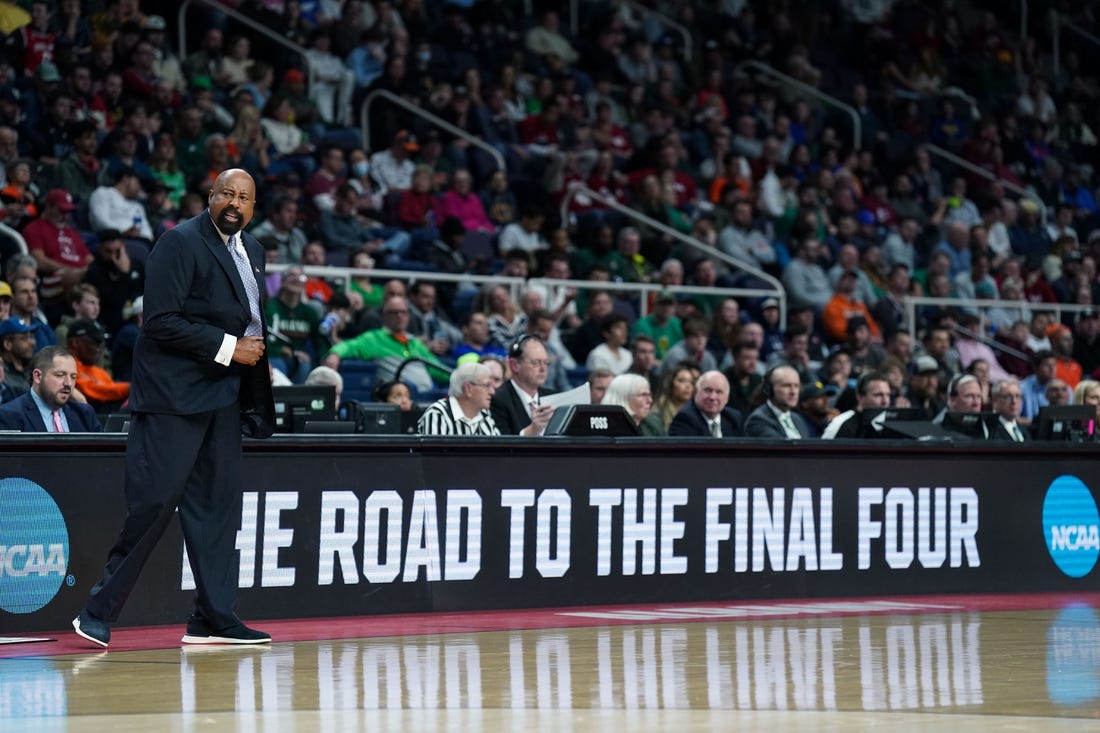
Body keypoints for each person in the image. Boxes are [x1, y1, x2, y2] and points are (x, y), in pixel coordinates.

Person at [73, 168, 276, 649]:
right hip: (174, 397)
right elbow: (160, 321)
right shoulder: (178, 242)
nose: (234, 203)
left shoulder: (256, 251)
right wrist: (230, 347)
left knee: (217, 511)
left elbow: (251, 321)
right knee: (154, 504)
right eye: (226, 193)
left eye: (243, 197)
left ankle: (212, 618)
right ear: (210, 196)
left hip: (224, 397)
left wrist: (248, 373)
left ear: (252, 206)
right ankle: (96, 611)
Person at [322, 295, 448, 392]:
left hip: (427, 396)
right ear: (384, 316)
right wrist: (334, 355)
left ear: (408, 316)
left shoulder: (415, 342)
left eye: (403, 312)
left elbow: (437, 369)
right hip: (400, 398)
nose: (399, 316)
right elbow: (349, 346)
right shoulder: (374, 338)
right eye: (394, 312)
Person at [0, 345, 101, 432]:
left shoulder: (85, 414)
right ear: (38, 376)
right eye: (60, 375)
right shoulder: (10, 415)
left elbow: (103, 453)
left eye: (73, 377)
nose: (69, 383)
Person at [490, 334, 555, 436]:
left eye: (546, 362)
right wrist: (532, 430)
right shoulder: (498, 399)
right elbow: (501, 446)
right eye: (536, 363)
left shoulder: (552, 396)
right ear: (514, 365)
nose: (543, 369)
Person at [417, 361, 500, 436]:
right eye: (487, 386)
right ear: (468, 389)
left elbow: (499, 450)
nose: (492, 392)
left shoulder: (484, 413)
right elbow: (435, 452)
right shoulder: (437, 414)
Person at [66, 318, 129, 411]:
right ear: (76, 343)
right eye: (95, 343)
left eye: (102, 345)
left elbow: (112, 391)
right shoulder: (67, 368)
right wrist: (129, 388)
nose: (99, 350)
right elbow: (92, 391)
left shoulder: (100, 372)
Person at [668, 370, 744, 437]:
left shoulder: (734, 418)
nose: (712, 397)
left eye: (719, 392)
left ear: (727, 398)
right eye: (708, 390)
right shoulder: (685, 419)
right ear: (696, 392)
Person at [744, 365, 812, 439]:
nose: (793, 392)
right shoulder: (758, 420)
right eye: (786, 386)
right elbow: (781, 449)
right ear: (769, 389)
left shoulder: (797, 419)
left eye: (796, 386)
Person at [822, 371, 893, 439]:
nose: (885, 401)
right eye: (878, 395)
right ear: (860, 397)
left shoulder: (892, 424)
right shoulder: (840, 423)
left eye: (887, 395)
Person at [654, 362, 698, 430]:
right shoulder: (658, 410)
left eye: (691, 382)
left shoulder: (696, 411)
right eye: (682, 381)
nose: (688, 386)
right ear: (671, 383)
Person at [0, 316, 37, 397]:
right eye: (24, 338)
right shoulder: (3, 379)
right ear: (7, 345)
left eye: (30, 337)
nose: (32, 343)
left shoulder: (33, 370)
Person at [990, 377, 1028, 442]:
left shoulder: (1023, 430)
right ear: (995, 400)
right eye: (1008, 396)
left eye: (1017, 396)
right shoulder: (990, 430)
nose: (1014, 401)